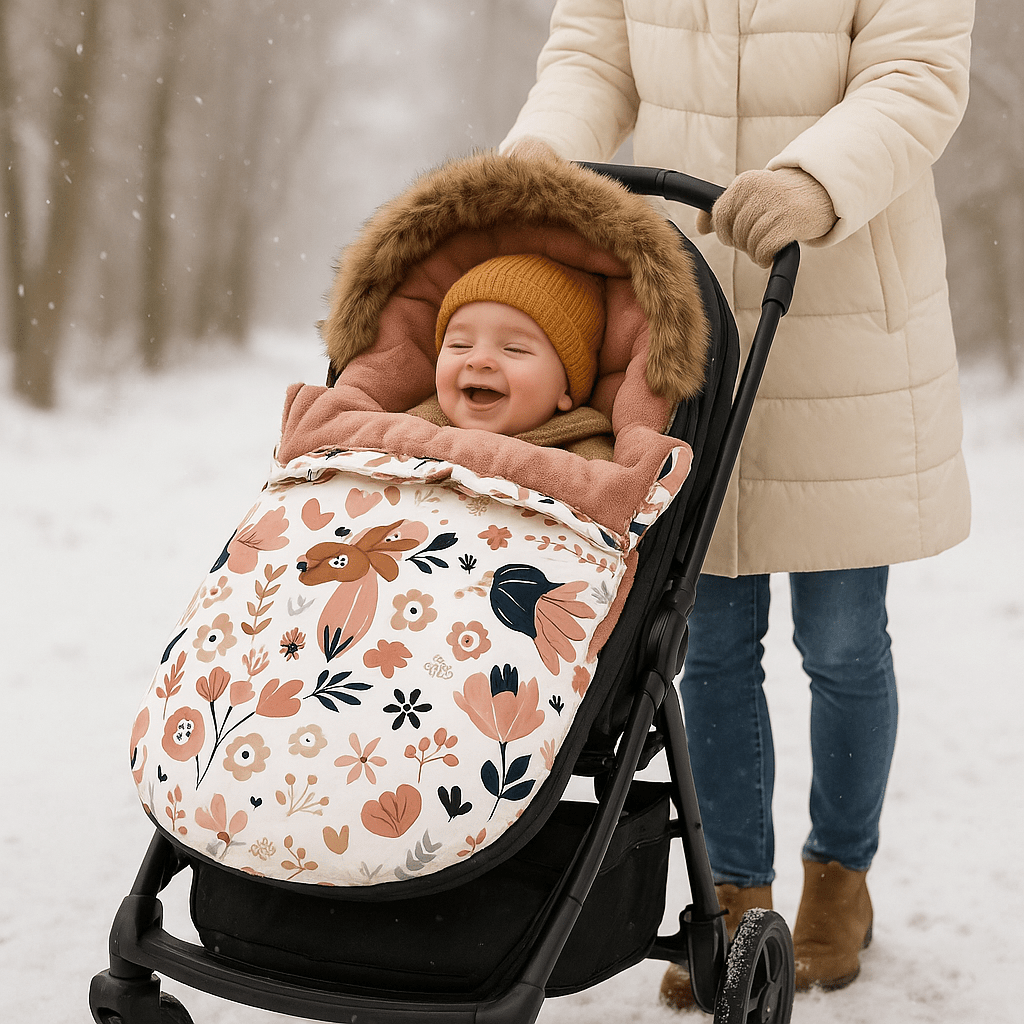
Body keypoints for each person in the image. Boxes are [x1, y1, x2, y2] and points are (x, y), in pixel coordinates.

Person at [500, 0, 974, 1000]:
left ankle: (838, 881)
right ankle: (735, 907)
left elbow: (915, 74)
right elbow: (594, 55)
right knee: (704, 639)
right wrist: (539, 155)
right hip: (688, 314)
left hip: (841, 307)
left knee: (842, 638)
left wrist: (814, 178)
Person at [408, 252, 616, 458]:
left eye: (514, 349)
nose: (479, 360)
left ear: (566, 389)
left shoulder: (586, 457)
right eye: (460, 345)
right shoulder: (409, 428)